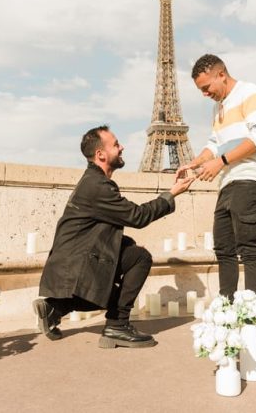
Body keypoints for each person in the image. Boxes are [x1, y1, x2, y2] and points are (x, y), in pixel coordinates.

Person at [33, 125, 194, 348]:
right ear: (101, 154)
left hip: (73, 261)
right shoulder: (97, 186)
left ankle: (55, 308)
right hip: (76, 267)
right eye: (116, 144)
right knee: (140, 258)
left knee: (132, 252)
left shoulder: (94, 181)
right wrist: (172, 193)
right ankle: (116, 325)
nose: (122, 147)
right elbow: (138, 216)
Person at [177, 54, 256, 298]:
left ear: (221, 74)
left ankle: (252, 314)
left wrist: (219, 163)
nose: (205, 94)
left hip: (250, 180)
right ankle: (227, 312)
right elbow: (214, 144)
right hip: (228, 183)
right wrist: (195, 163)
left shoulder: (250, 92)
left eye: (206, 87)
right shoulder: (217, 108)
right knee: (223, 249)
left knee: (249, 249)